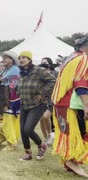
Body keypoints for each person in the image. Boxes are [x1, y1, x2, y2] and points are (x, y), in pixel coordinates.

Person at [51, 36, 88, 177]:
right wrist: (86, 105)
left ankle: (69, 162)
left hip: (62, 102)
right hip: (72, 104)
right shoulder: (83, 59)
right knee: (79, 133)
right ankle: (73, 161)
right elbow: (81, 83)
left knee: (67, 133)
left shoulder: (70, 58)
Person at [17, 50, 55, 161]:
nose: (21, 59)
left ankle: (41, 146)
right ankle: (28, 153)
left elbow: (53, 81)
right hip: (24, 104)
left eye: (24, 57)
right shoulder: (22, 73)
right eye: (19, 58)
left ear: (29, 59)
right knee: (22, 130)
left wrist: (43, 93)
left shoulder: (38, 70)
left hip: (37, 105)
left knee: (28, 129)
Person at [0, 51, 21, 151]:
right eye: (3, 58)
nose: (4, 59)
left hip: (10, 99)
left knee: (8, 121)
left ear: (12, 60)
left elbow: (4, 81)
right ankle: (2, 137)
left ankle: (11, 144)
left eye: (6, 58)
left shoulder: (15, 69)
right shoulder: (4, 69)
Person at [38, 57, 58, 145]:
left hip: (51, 98)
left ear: (50, 63)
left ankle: (50, 134)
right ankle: (46, 137)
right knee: (41, 119)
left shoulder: (55, 73)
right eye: (42, 62)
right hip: (41, 98)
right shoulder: (39, 74)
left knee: (46, 117)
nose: (43, 64)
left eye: (45, 62)